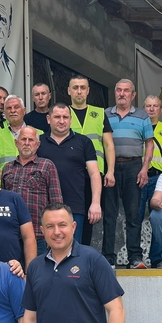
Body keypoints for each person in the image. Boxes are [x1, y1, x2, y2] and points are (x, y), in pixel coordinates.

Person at [104, 79, 154, 269]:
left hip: (134, 166)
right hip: (111, 167)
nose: (122, 94)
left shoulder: (142, 116)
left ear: (133, 95)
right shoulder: (105, 114)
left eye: (126, 91)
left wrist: (144, 169)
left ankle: (135, 257)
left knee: (134, 215)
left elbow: (149, 143)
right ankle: (108, 257)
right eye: (118, 90)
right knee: (109, 214)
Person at [38, 103, 102, 244]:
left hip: (75, 207)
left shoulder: (84, 142)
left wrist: (95, 203)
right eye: (57, 117)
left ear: (70, 120)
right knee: (46, 252)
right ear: (49, 119)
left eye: (65, 117)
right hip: (45, 207)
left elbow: (94, 174)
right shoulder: (38, 142)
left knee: (73, 252)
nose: (62, 121)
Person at [1, 126, 64, 257]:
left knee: (38, 276)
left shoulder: (47, 166)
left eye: (31, 140)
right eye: (23, 139)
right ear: (16, 143)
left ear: (38, 144)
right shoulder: (7, 168)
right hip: (11, 236)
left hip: (39, 236)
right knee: (13, 275)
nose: (27, 143)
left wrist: (53, 233)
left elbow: (56, 203)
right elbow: (1, 202)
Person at [68, 75, 115, 246]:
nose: (79, 91)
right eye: (75, 87)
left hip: (95, 174)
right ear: (69, 91)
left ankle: (83, 254)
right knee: (69, 216)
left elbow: (109, 145)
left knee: (90, 217)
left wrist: (110, 171)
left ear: (88, 91)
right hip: (71, 174)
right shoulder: (63, 114)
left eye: (82, 87)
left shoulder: (100, 113)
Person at [138, 95, 162, 226]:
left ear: (161, 110)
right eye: (148, 106)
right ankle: (134, 246)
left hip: (159, 179)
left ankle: (157, 247)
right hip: (139, 177)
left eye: (155, 106)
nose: (151, 109)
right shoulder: (138, 127)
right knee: (135, 215)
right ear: (143, 109)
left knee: (158, 217)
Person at [0, 95, 42, 171]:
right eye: (9, 108)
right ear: (4, 112)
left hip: (31, 181)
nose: (12, 111)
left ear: (24, 110)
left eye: (16, 107)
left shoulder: (39, 133)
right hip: (5, 181)